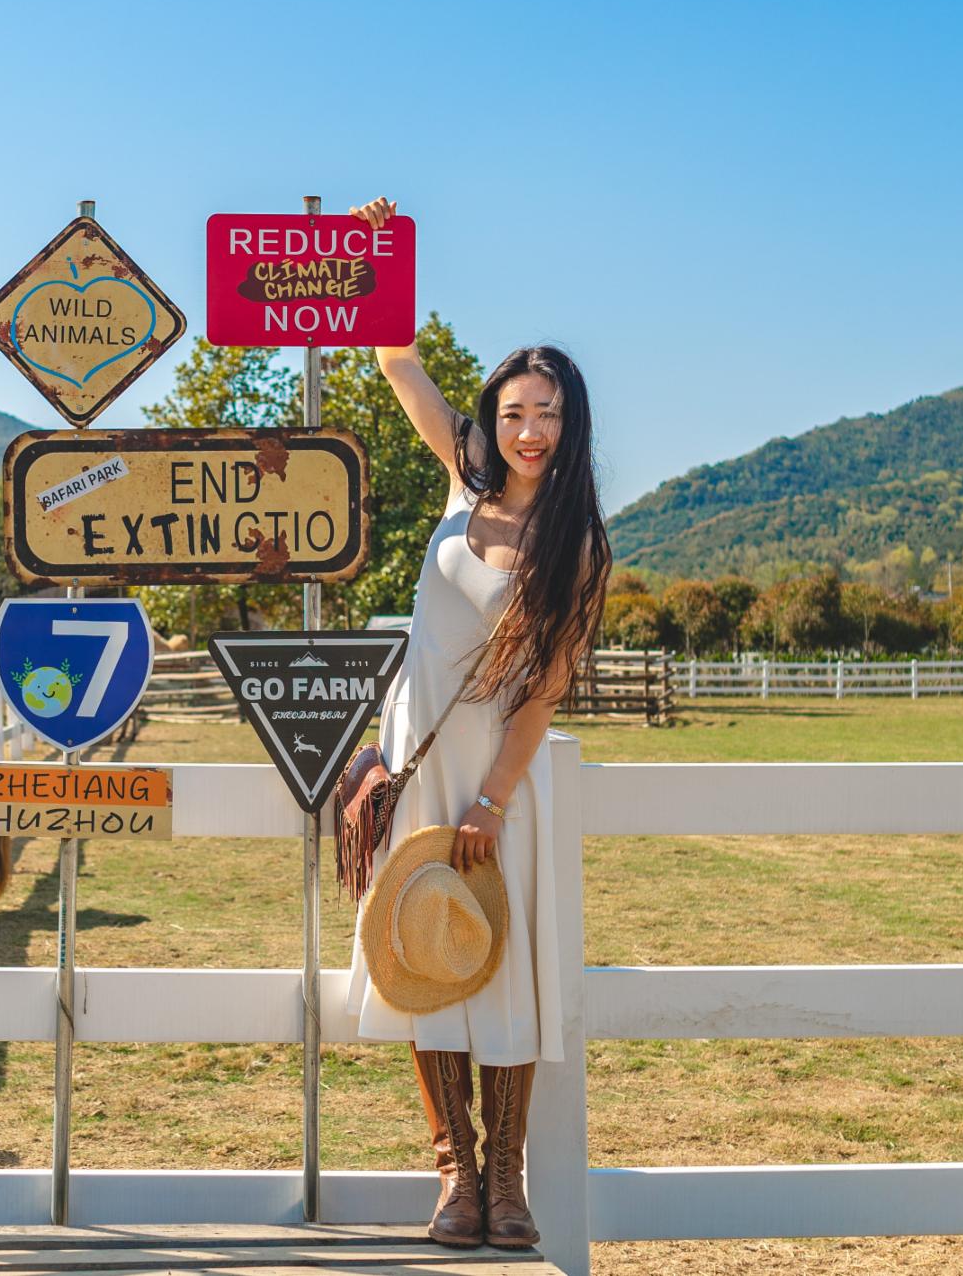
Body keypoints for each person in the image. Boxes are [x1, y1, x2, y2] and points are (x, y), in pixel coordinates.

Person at [343, 196, 610, 1252]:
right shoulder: (461, 479)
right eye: (513, 411)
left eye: (546, 413)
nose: (528, 429)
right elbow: (394, 359)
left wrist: (496, 799)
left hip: (502, 780)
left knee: (498, 963)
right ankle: (452, 1173)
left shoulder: (574, 541)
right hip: (417, 760)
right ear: (491, 418)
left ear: (568, 422)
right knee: (422, 954)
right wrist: (376, 252)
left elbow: (541, 691)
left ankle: (508, 1181)